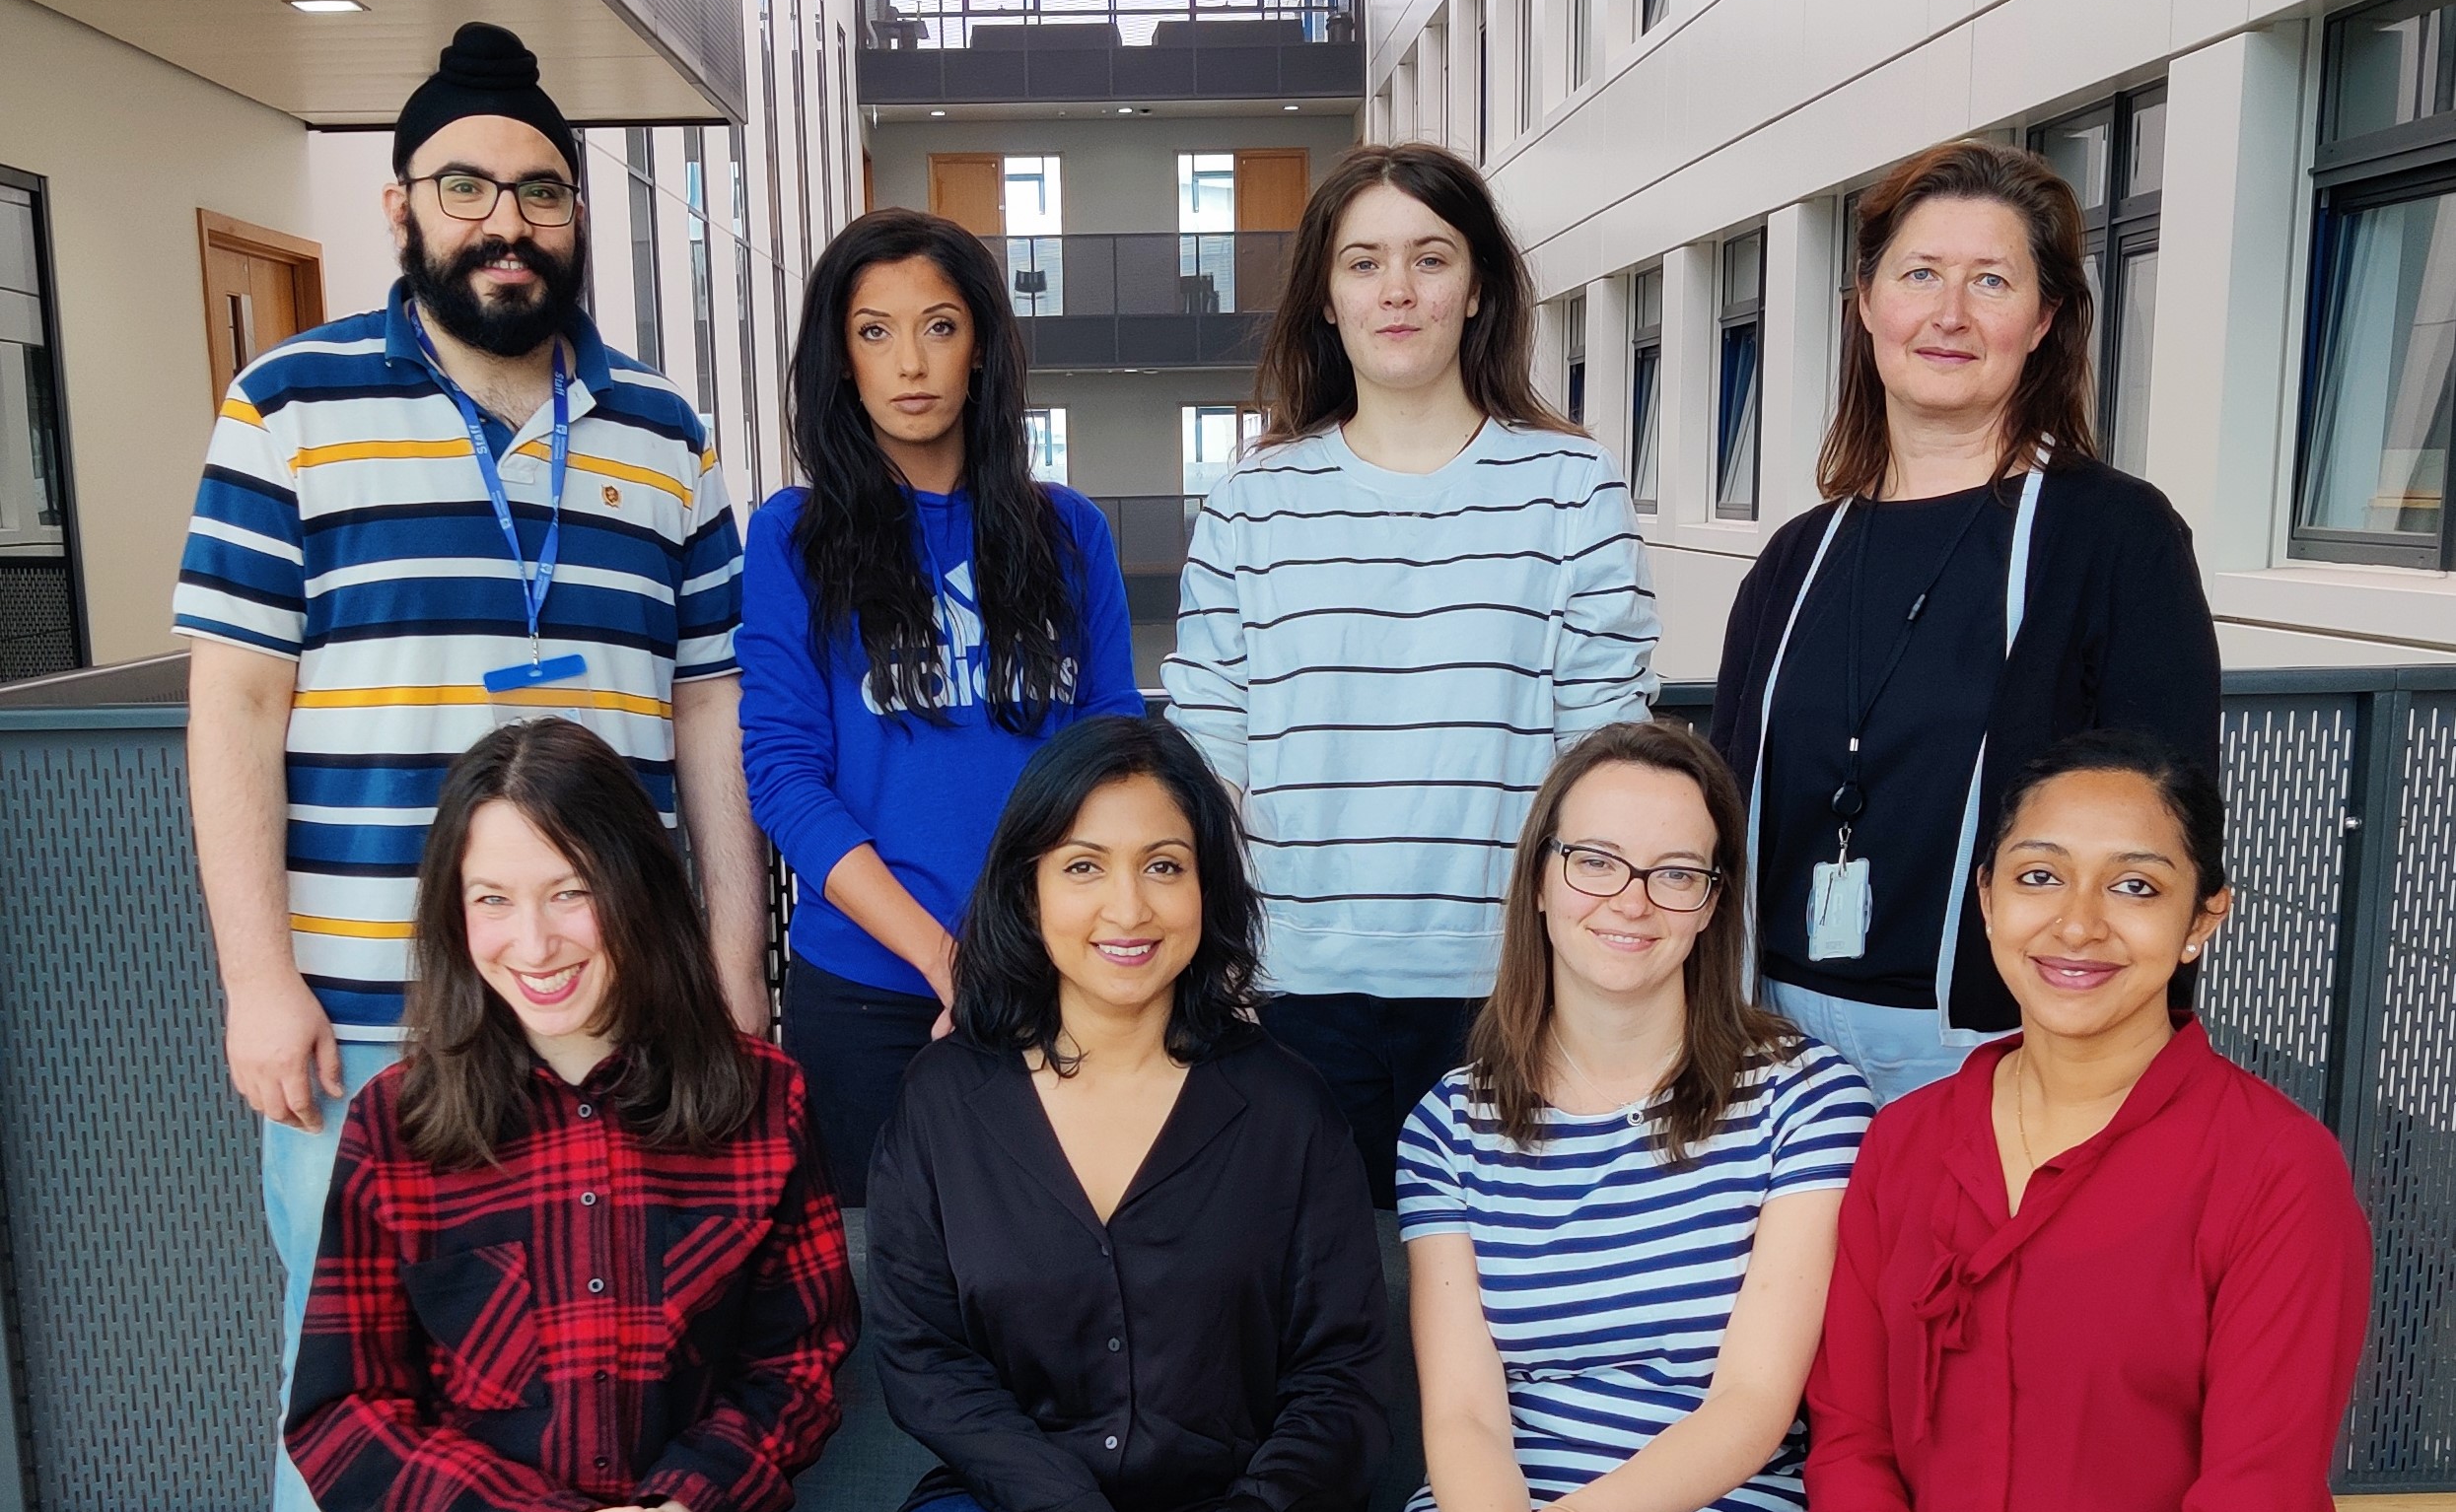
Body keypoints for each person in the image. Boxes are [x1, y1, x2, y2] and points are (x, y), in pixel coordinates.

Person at [175, 23, 769, 1512]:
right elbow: (235, 704)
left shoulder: (663, 429)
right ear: (401, 208)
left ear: (574, 215)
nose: (507, 222)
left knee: (593, 1388)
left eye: (542, 191)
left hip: (611, 1015)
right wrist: (258, 978)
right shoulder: (286, 405)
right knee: (350, 1382)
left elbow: (709, 715)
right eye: (467, 186)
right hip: (373, 1006)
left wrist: (727, 967)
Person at [1695, 730, 2369, 1512]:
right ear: (1986, 896)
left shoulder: (2276, 1172)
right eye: (2040, 875)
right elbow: (1852, 1435)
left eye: (2137, 887)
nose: (2077, 923)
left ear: (2205, 917)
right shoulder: (1907, 1145)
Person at [283, 718, 856, 1512]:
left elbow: (799, 1368)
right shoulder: (397, 1126)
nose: (531, 941)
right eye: (490, 897)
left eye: (568, 891)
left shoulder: (763, 1100)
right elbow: (341, 1423)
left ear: (638, 892)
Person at [864, 714, 1391, 1512]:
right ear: (1027, 887)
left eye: (1164, 866)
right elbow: (921, 1360)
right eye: (1084, 867)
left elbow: (1342, 1384)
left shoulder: (1289, 1113)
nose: (1129, 908)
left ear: (1209, 888)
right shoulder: (945, 1100)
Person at [1355, 722, 1876, 1512]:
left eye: (1674, 872)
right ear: (1539, 878)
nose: (1629, 900)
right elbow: (1460, 1407)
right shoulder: (1449, 1124)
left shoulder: (1804, 1098)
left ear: (1710, 902)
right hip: (1484, 1509)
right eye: (1594, 860)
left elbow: (1754, 1403)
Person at [1162, 142, 1658, 1207]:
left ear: (1476, 289)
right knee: (1314, 1321)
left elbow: (1605, 757)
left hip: (1508, 986)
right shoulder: (1253, 501)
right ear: (1324, 298)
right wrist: (1219, 970)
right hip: (1289, 994)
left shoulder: (1569, 486)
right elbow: (1207, 756)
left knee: (1501, 1313)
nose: (1397, 290)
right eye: (1362, 262)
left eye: (1429, 258)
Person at [1709, 140, 2219, 1105]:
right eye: (1919, 275)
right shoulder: (1794, 557)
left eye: (1991, 280)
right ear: (1865, 304)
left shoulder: (2113, 538)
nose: (1948, 314)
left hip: (1997, 1054)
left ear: (2043, 318)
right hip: (1769, 1045)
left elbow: (2169, 830)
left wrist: (2117, 1078)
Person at [738, 209, 1141, 1205]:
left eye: (940, 325)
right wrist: (942, 960)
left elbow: (1113, 750)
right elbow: (784, 777)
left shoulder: (1068, 532)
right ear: (839, 359)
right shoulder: (790, 538)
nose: (909, 361)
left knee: (1068, 1276)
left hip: (1060, 979)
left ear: (981, 349)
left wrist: (1041, 952)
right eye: (874, 331)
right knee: (886, 1291)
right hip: (869, 992)